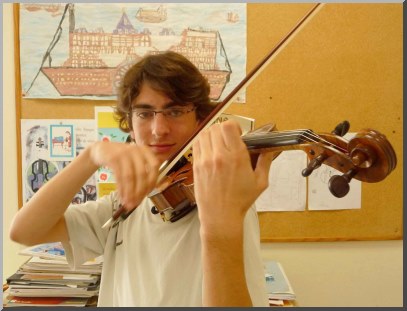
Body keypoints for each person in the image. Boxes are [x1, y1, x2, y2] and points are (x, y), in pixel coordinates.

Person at [10, 51, 273, 307]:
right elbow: (24, 231)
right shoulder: (125, 205)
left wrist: (218, 228)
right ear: (130, 124)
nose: (159, 130)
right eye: (145, 113)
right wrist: (90, 156)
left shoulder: (224, 198)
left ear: (200, 120)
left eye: (175, 111)